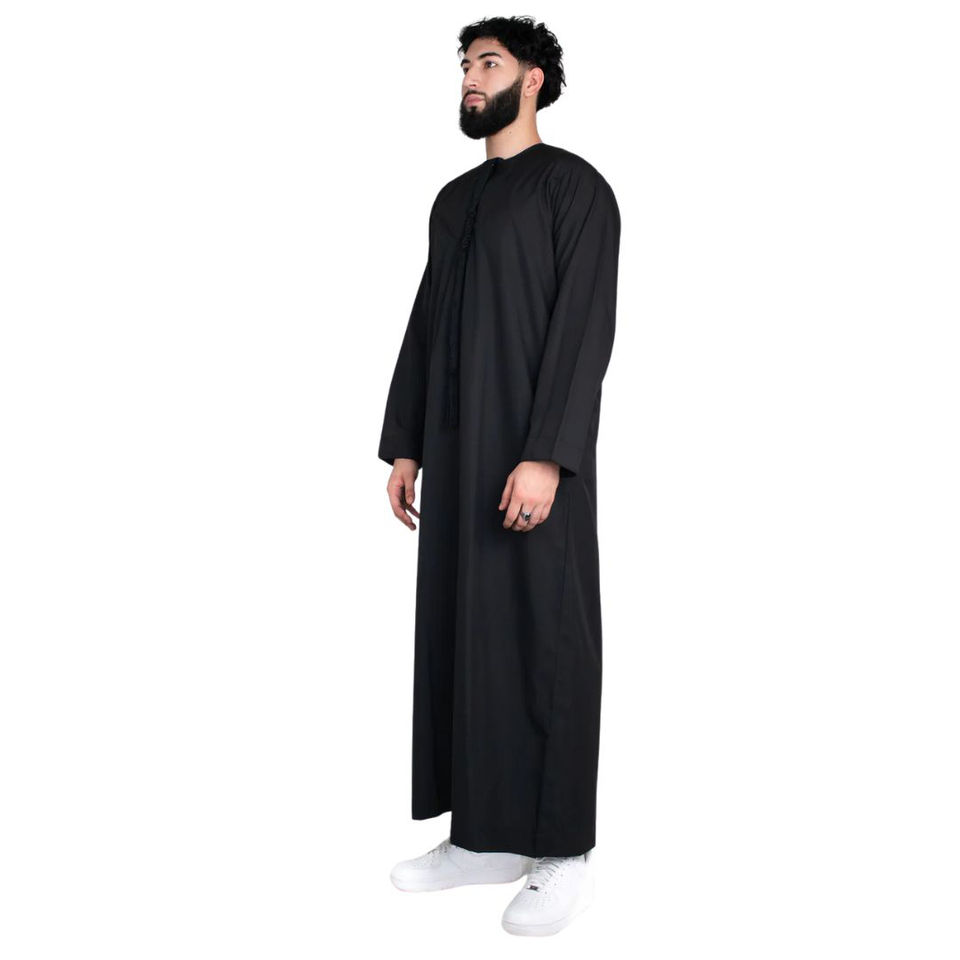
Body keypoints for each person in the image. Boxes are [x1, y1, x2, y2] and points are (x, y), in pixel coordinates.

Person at [378, 15, 621, 937]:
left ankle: (561, 852)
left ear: (534, 80)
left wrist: (547, 453)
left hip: (531, 457)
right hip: (456, 453)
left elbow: (584, 326)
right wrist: (407, 443)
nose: (470, 79)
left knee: (543, 639)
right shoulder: (453, 201)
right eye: (465, 66)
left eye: (489, 63)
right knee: (464, 637)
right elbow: (427, 322)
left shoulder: (574, 188)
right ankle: (481, 836)